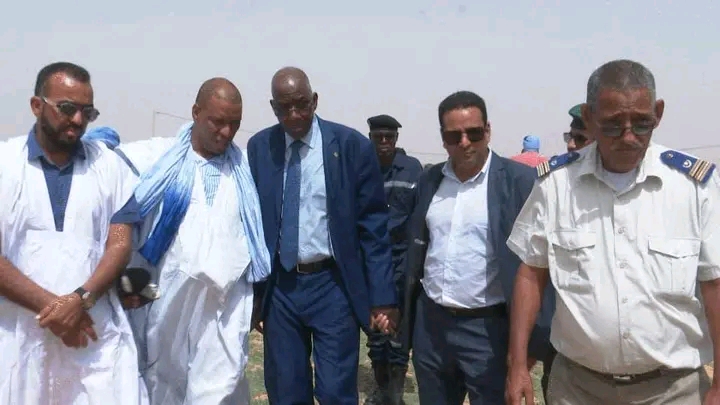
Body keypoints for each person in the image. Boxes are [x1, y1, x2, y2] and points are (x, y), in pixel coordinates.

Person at [505, 59, 720, 405]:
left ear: (658, 113)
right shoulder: (557, 185)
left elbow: (715, 286)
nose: (629, 137)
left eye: (642, 123)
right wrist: (518, 365)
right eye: (613, 125)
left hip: (673, 390)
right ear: (589, 117)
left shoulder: (694, 188)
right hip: (578, 389)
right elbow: (531, 273)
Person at [114, 77, 272, 405]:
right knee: (160, 383)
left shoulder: (246, 169)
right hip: (165, 298)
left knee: (220, 387)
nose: (226, 132)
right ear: (196, 112)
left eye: (234, 124)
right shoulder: (154, 159)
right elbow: (107, 182)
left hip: (224, 305)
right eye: (218, 122)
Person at [246, 66, 398, 405]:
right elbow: (251, 225)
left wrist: (383, 296)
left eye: (301, 104)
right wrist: (255, 296)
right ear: (273, 108)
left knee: (335, 391)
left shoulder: (351, 147)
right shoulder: (260, 148)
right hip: (281, 288)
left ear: (315, 101)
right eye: (284, 108)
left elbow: (374, 227)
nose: (294, 115)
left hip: (333, 286)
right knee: (286, 390)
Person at [0, 61, 145, 404]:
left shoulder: (109, 166)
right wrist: (56, 309)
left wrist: (80, 300)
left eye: (87, 112)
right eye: (67, 108)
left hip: (93, 336)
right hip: (20, 337)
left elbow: (119, 244)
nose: (78, 120)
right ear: (37, 106)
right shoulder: (5, 164)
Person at [401, 91, 554, 405]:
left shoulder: (519, 182)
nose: (465, 143)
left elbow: (539, 264)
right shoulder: (430, 181)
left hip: (489, 331)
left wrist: (526, 348)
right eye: (454, 136)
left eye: (473, 133)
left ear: (488, 130)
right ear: (443, 138)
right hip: (432, 328)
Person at [364, 114, 423, 405]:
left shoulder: (412, 170)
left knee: (400, 330)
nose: (384, 142)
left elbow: (420, 216)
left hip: (403, 260)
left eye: (389, 137)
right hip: (372, 261)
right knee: (376, 330)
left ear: (397, 138)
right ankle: (381, 389)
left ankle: (395, 396)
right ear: (371, 138)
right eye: (379, 137)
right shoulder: (362, 168)